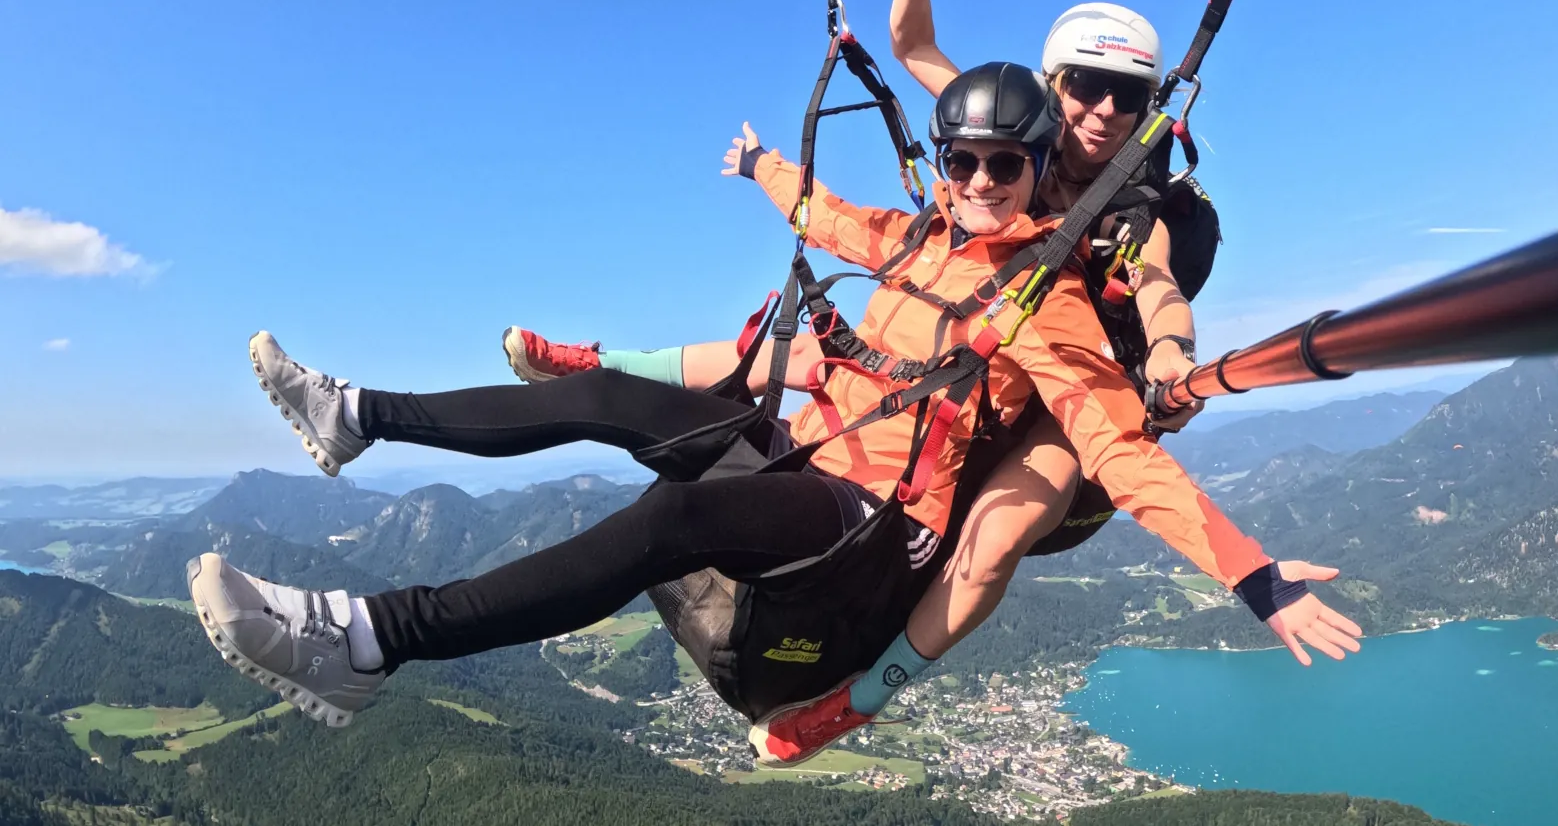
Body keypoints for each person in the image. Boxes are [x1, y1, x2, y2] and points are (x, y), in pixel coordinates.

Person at [189, 64, 1360, 768]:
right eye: (962, 161)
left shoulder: (1047, 305)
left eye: (1006, 165)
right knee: (602, 395)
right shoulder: (917, 234)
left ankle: (366, 639)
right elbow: (833, 215)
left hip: (870, 513)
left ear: (1037, 163)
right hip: (804, 444)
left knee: (672, 522)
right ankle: (356, 415)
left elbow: (1120, 451)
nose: (980, 183)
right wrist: (759, 167)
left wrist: (1252, 576)